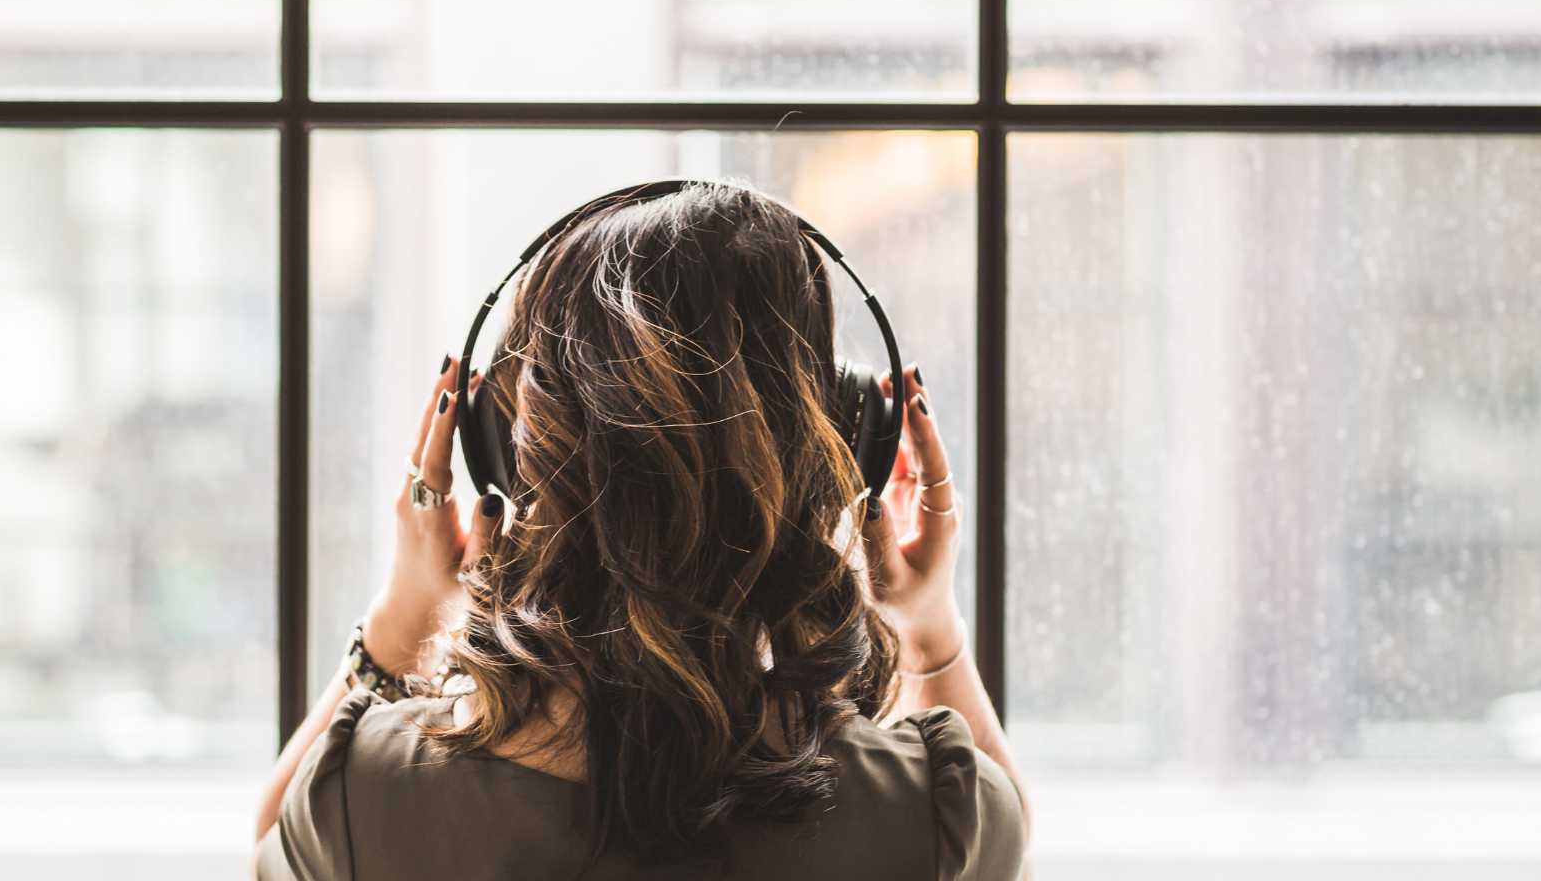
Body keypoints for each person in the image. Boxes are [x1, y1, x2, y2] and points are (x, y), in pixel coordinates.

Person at [254, 181, 1028, 879]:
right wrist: (930, 630)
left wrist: (402, 621)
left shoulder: (365, 795)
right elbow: (1007, 848)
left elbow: (275, 849)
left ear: (503, 452)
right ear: (844, 443)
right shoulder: (936, 813)